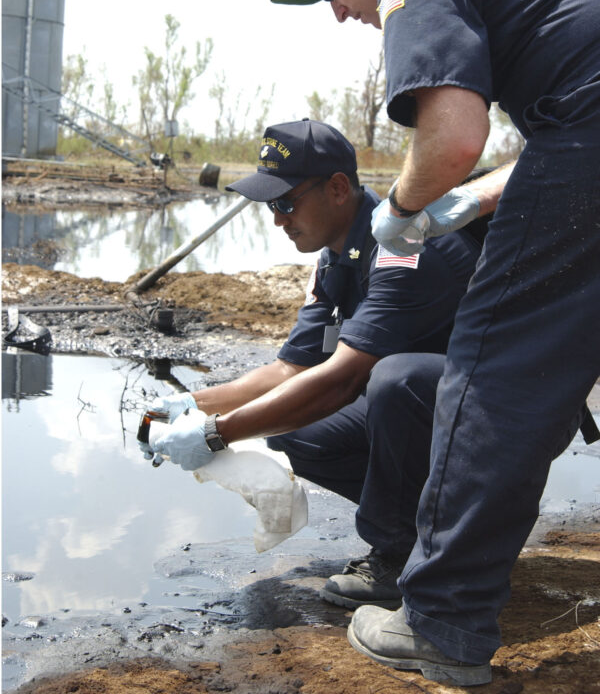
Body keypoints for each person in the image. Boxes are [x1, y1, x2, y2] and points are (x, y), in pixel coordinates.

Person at [271, 0, 600, 686]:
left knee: (493, 376)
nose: (338, 12)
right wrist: (483, 196)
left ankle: (441, 618)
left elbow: (452, 138)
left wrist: (408, 208)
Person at [144, 117, 507, 611]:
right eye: (270, 205)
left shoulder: (405, 246)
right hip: (441, 410)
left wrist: (214, 433)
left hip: (497, 417)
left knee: (391, 380)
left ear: (338, 188)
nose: (278, 219)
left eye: (286, 202)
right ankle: (444, 532)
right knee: (294, 430)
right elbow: (291, 369)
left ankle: (405, 550)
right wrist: (188, 403)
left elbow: (342, 379)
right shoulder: (337, 255)